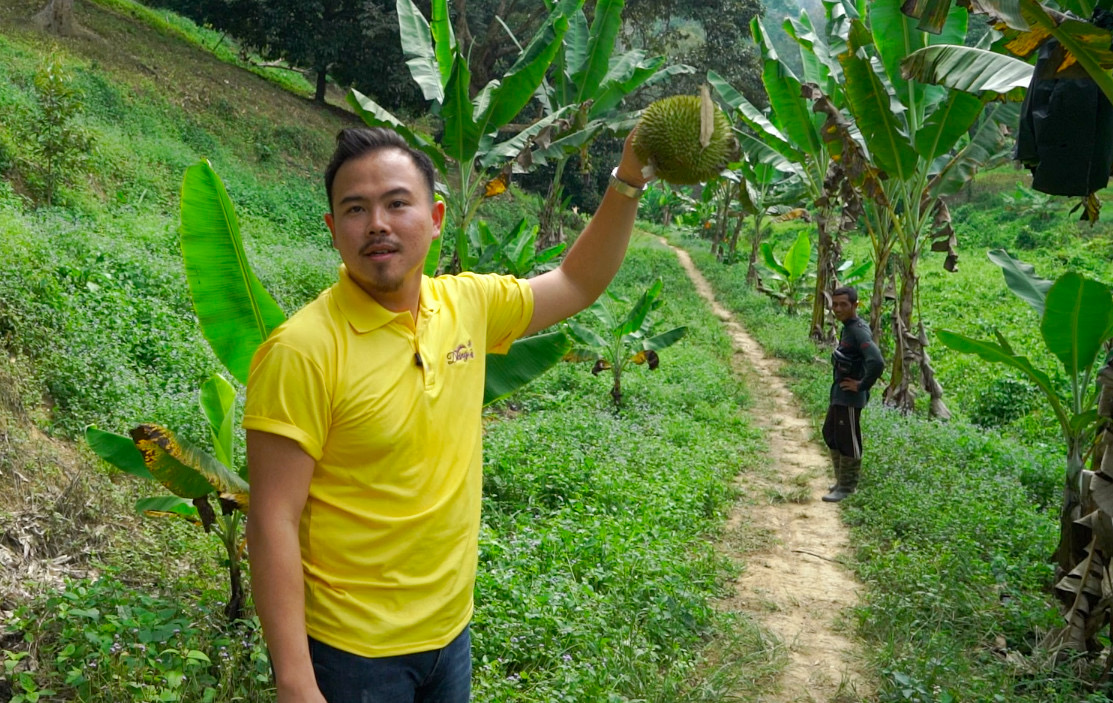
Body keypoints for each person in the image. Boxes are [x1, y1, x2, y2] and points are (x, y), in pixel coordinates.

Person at [243, 126, 652, 703]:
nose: (378, 224)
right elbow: (272, 519)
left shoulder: (468, 305)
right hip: (352, 653)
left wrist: (628, 179)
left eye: (396, 203)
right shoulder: (302, 351)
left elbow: (576, 280)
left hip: (451, 632)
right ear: (334, 230)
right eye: (356, 209)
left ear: (435, 218)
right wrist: (294, 680)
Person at [822, 285, 884, 503]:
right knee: (831, 433)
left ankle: (848, 487)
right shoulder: (847, 326)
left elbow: (876, 361)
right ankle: (841, 481)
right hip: (840, 392)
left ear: (855, 305)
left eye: (843, 305)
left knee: (849, 439)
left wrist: (861, 385)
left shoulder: (858, 330)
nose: (838, 309)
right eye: (835, 304)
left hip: (849, 396)